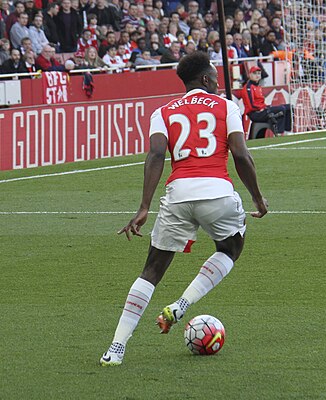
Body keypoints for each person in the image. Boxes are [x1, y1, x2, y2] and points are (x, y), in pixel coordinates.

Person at [99, 50, 268, 366]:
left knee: (151, 270)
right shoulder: (227, 106)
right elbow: (242, 156)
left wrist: (144, 206)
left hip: (177, 195)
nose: (218, 80)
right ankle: (181, 305)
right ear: (205, 79)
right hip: (216, 192)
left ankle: (116, 348)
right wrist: (257, 198)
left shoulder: (162, 111)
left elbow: (155, 156)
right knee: (230, 247)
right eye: (215, 75)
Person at [241, 65, 292, 136]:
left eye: (258, 73)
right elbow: (251, 105)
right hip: (255, 113)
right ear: (250, 75)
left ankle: (287, 131)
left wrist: (265, 107)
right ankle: (279, 132)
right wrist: (261, 108)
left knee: (289, 107)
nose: (257, 75)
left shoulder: (258, 86)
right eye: (255, 73)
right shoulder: (248, 88)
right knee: (281, 109)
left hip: (262, 110)